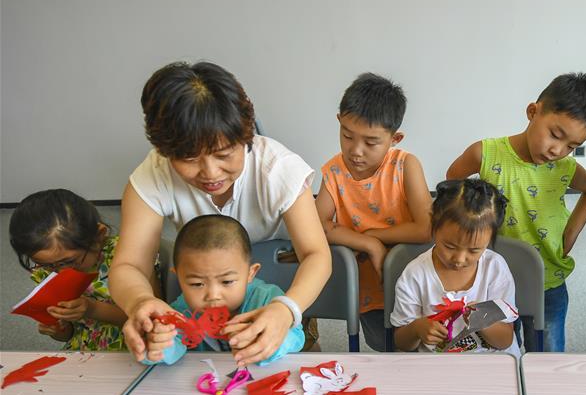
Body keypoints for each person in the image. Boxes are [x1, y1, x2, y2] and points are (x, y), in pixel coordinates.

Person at [110, 61, 330, 367]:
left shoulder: (279, 169)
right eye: (189, 159)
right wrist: (140, 302)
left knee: (291, 350)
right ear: (163, 151)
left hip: (283, 282)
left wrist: (287, 309)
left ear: (246, 136)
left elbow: (316, 254)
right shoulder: (152, 177)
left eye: (224, 154)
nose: (211, 173)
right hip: (208, 273)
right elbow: (129, 265)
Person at [446, 73, 586, 351]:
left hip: (548, 279)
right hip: (491, 279)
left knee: (547, 355)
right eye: (555, 135)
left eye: (571, 146)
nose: (558, 150)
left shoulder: (565, 168)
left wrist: (571, 233)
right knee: (497, 351)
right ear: (533, 112)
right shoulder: (485, 153)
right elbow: (453, 186)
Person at [315, 73, 432, 352]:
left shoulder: (406, 166)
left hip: (412, 282)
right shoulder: (333, 172)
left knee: (422, 347)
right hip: (368, 287)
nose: (355, 151)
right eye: (347, 136)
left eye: (371, 142)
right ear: (339, 122)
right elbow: (315, 225)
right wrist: (368, 244)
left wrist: (374, 234)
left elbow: (426, 228)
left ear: (395, 138)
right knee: (383, 346)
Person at [144, 215, 304, 365]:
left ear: (250, 274)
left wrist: (269, 341)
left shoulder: (266, 299)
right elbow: (173, 349)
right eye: (197, 284)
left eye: (227, 281)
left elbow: (297, 337)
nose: (213, 295)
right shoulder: (182, 310)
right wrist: (157, 344)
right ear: (179, 277)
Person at [391, 179, 519, 356]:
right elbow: (402, 343)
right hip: (436, 368)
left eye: (474, 250)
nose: (459, 259)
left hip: (490, 365)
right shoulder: (415, 274)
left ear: (489, 241)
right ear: (434, 228)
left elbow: (505, 340)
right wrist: (417, 329)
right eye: (449, 247)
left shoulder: (495, 268)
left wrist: (483, 320)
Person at [9, 189, 135, 351]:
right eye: (48, 265)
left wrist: (92, 309)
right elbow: (71, 335)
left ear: (99, 236)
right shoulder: (48, 272)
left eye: (69, 261)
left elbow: (150, 320)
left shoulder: (128, 256)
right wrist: (58, 329)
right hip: (83, 351)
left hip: (133, 347)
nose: (60, 273)